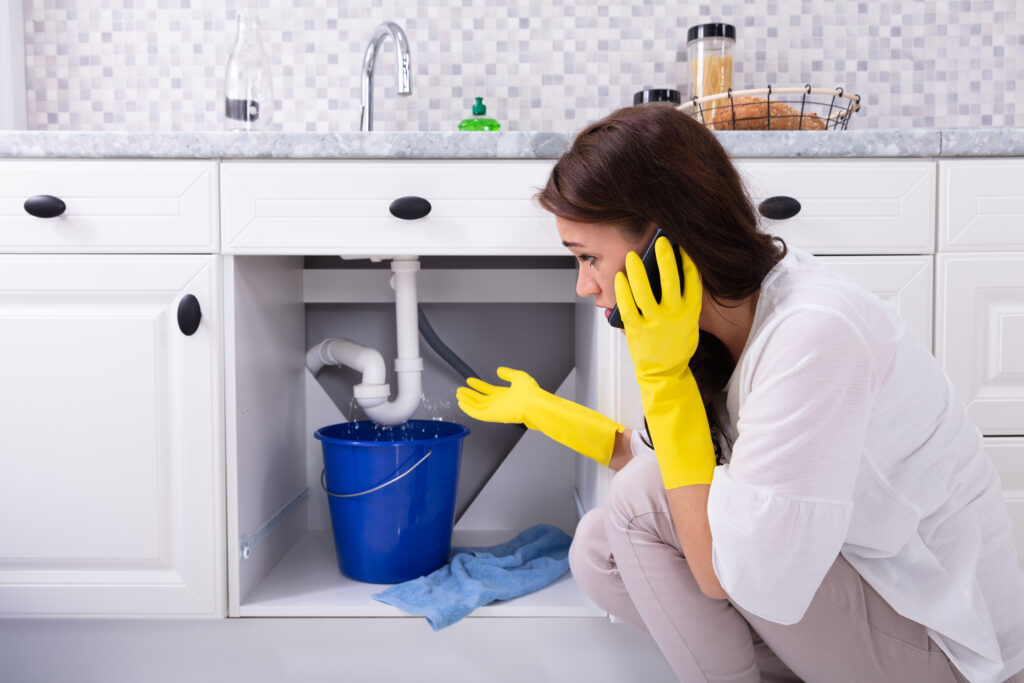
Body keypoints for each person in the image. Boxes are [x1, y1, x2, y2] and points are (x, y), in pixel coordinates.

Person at [455, 104, 1024, 683]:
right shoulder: (714, 327)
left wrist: (663, 381)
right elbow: (678, 480)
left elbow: (714, 571)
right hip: (853, 600)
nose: (584, 285)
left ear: (664, 245)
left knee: (636, 506)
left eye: (589, 257)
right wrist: (543, 409)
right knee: (599, 551)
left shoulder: (815, 333)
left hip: (945, 651)